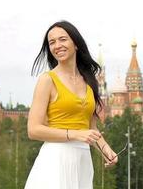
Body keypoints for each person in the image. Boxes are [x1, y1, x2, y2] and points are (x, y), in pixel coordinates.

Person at [25, 20, 118, 189]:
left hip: (83, 160)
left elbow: (91, 128)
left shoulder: (89, 81)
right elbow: (33, 130)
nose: (57, 45)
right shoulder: (47, 80)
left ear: (75, 43)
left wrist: (106, 150)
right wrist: (75, 134)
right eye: (51, 42)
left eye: (62, 39)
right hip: (56, 159)